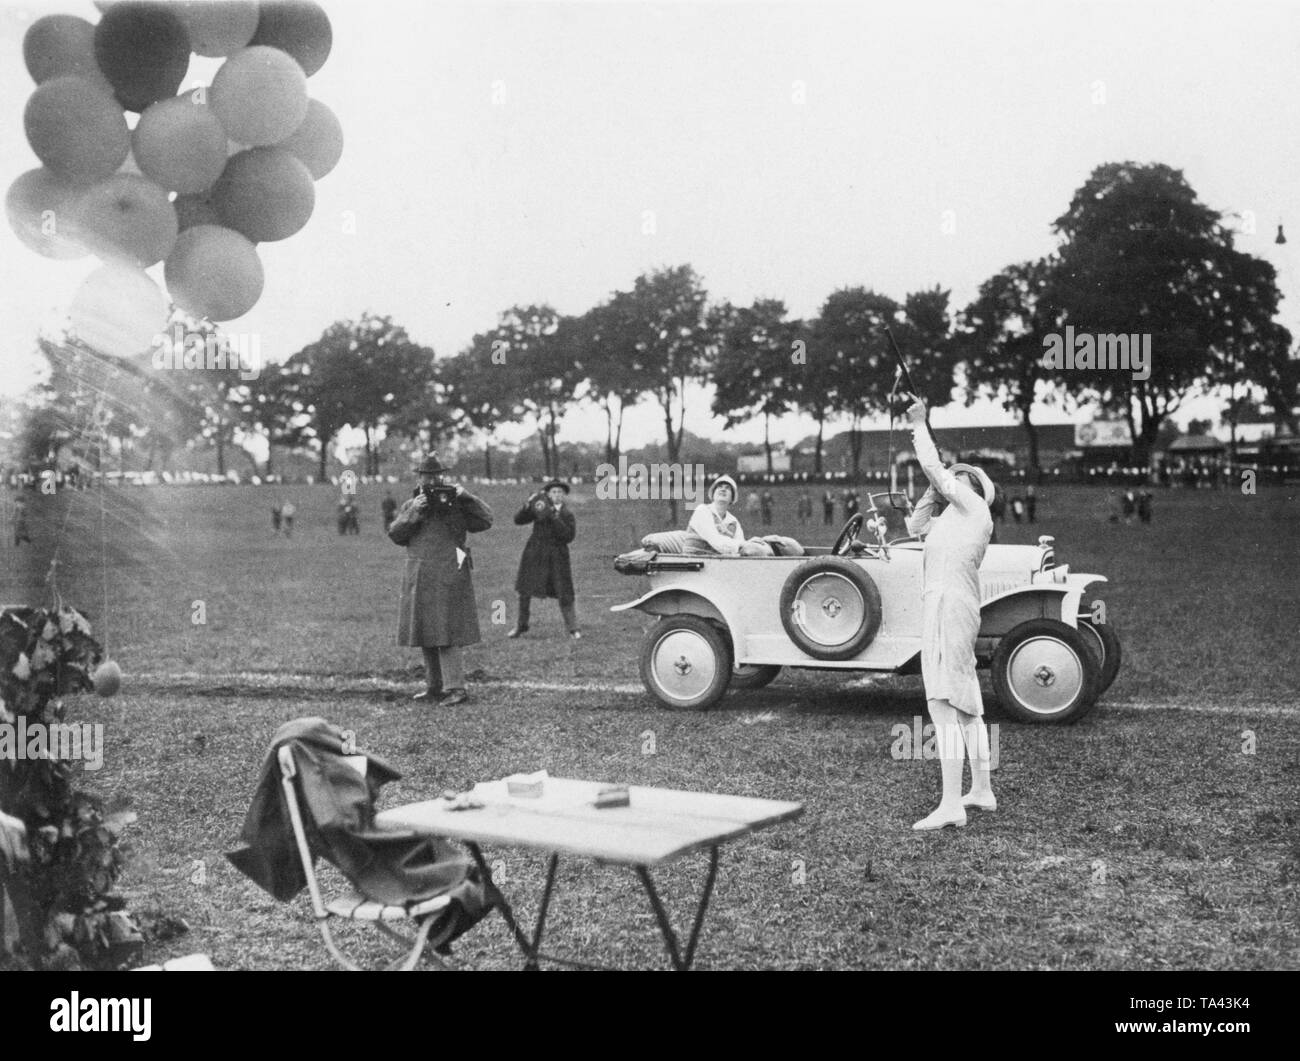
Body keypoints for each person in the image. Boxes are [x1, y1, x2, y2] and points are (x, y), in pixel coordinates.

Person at [902, 396, 997, 832]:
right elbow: (914, 526)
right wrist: (932, 487)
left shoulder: (976, 511)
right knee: (968, 707)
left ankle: (949, 805)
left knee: (943, 702)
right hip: (946, 606)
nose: (953, 483)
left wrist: (920, 425)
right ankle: (980, 790)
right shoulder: (948, 521)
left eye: (963, 479)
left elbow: (937, 472)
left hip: (952, 607)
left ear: (976, 491)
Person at [388, 454, 493, 705]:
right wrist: (414, 511)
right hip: (421, 572)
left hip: (449, 570)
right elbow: (395, 535)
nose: (433, 480)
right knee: (426, 629)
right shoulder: (411, 504)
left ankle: (456, 688)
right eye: (427, 476)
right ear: (420, 478)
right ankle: (434, 687)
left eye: (437, 475)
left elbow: (486, 520)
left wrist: (467, 496)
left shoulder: (457, 504)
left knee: (447, 629)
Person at [507, 480, 580, 640]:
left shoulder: (567, 514)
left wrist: (553, 516)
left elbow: (568, 536)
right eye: (553, 492)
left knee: (564, 591)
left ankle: (573, 628)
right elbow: (518, 520)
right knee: (524, 590)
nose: (557, 495)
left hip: (557, 556)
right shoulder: (539, 508)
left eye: (560, 492)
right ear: (547, 494)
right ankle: (521, 626)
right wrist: (527, 505)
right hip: (535, 552)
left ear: (564, 496)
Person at [685, 475, 747, 555]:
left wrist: (745, 546)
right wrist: (742, 545)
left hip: (717, 564)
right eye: (719, 487)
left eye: (727, 488)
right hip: (693, 563)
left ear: (732, 498)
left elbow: (743, 547)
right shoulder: (702, 510)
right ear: (713, 494)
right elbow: (716, 541)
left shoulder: (734, 521)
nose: (723, 489)